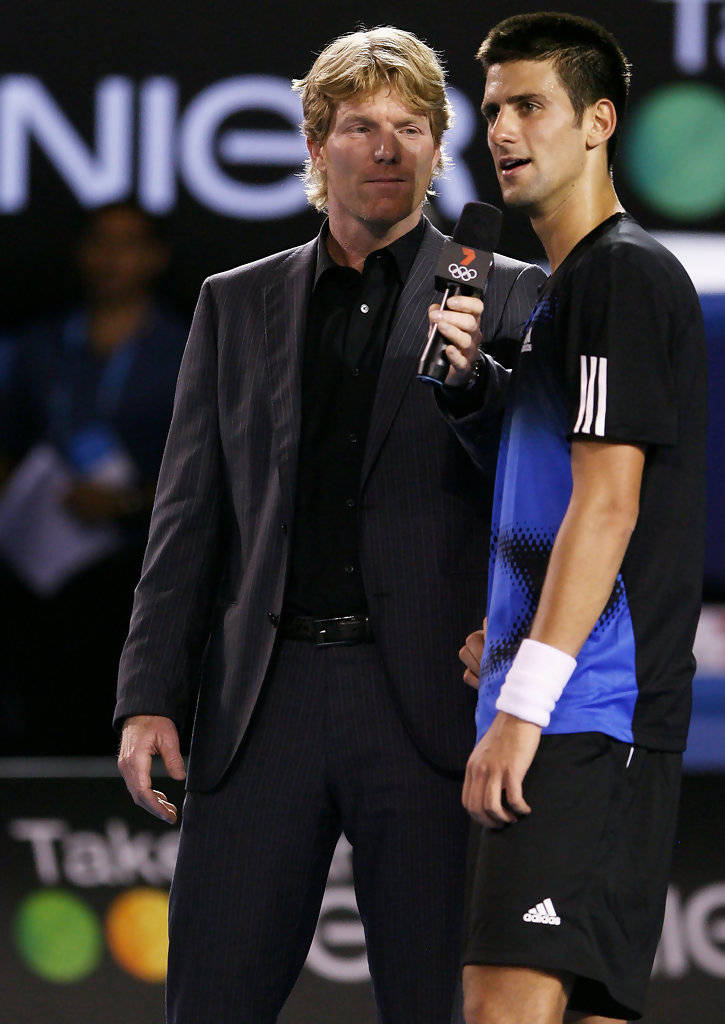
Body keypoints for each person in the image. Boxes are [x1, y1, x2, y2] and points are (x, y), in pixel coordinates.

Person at [114, 26, 544, 1024]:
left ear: (442, 148)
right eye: (359, 126)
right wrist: (148, 695)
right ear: (316, 145)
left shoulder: (509, 293)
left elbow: (543, 504)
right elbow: (186, 519)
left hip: (433, 701)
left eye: (410, 126)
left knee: (438, 1003)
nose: (385, 148)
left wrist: (475, 381)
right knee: (212, 999)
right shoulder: (236, 304)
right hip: (263, 701)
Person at [432, 12, 707, 1024]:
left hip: (580, 718)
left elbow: (610, 501)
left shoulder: (619, 277)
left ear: (596, 123)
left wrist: (521, 703)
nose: (500, 128)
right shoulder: (568, 292)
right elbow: (565, 505)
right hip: (585, 710)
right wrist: (505, 635)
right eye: (492, 107)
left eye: (529, 106)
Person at [0, 201, 186, 754]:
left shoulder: (184, 348)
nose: (112, 259)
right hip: (42, 572)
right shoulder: (41, 348)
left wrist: (127, 503)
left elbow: (213, 467)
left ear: (155, 257)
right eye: (100, 243)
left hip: (143, 569)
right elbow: (9, 442)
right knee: (45, 710)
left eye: (128, 244)